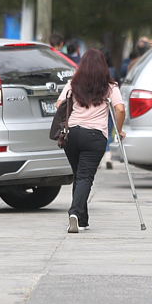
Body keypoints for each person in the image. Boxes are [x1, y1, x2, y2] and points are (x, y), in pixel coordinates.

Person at [56, 49, 125, 233]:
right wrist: (118, 130)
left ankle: (82, 220)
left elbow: (58, 104)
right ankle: (75, 213)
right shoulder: (110, 86)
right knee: (85, 176)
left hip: (71, 135)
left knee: (79, 175)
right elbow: (120, 109)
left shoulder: (73, 84)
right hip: (94, 137)